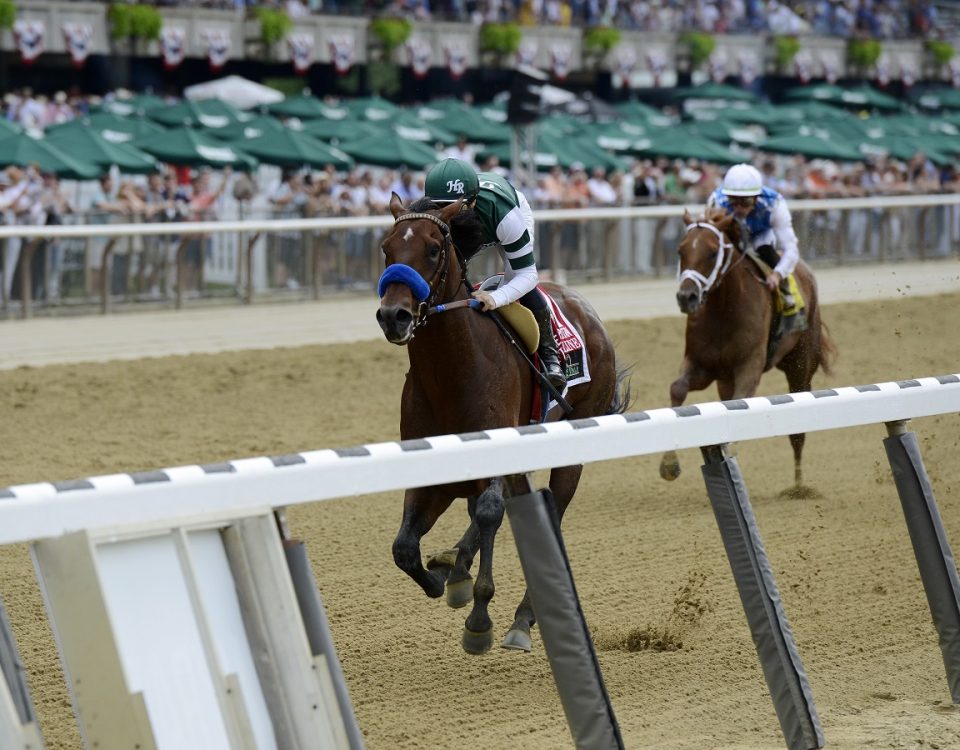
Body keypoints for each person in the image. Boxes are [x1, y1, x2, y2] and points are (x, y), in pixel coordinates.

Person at [423, 157, 567, 391]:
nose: (445, 214)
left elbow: (528, 276)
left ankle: (551, 360)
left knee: (514, 280)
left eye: (453, 208)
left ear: (472, 202)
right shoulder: (433, 212)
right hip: (479, 220)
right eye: (438, 207)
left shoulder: (505, 215)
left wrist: (495, 297)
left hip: (508, 212)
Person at [707, 162, 799, 309]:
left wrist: (777, 274)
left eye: (745, 202)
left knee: (764, 248)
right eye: (733, 201)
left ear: (757, 197)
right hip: (730, 235)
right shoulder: (717, 201)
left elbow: (791, 248)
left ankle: (787, 291)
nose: (738, 208)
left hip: (760, 236)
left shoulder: (774, 203)